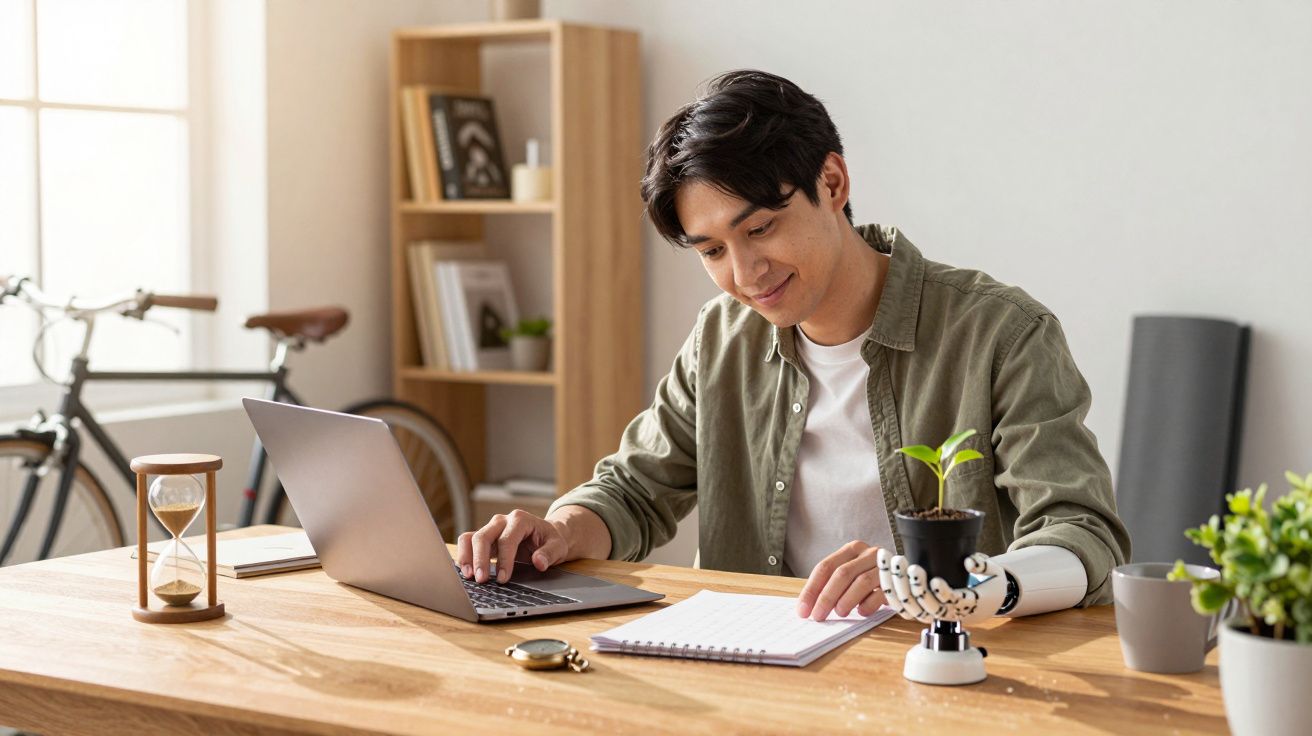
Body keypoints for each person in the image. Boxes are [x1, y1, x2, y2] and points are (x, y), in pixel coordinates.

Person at [456, 69, 1131, 624]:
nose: (745, 274)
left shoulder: (1001, 334)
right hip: (762, 677)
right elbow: (635, 490)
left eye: (763, 229)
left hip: (951, 674)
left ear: (833, 184)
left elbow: (1081, 532)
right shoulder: (722, 338)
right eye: (714, 250)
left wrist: (950, 580)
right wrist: (560, 532)